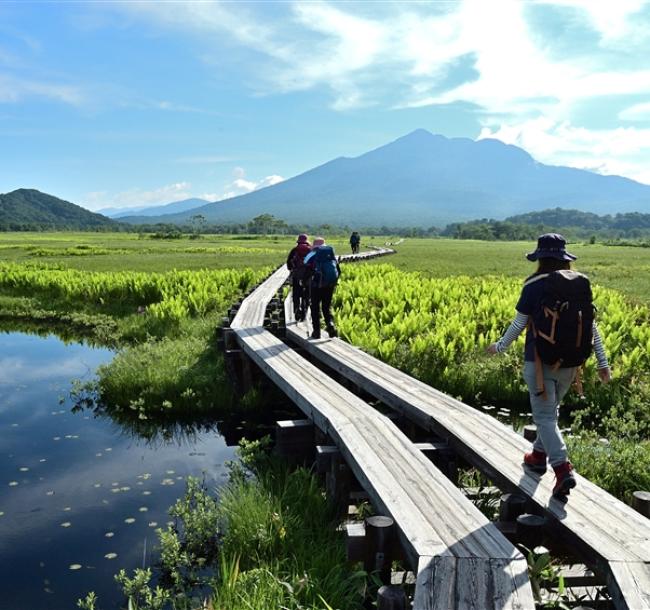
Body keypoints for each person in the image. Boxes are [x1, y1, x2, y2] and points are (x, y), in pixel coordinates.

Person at [487, 233, 611, 499]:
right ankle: (537, 456)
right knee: (550, 415)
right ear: (564, 258)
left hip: (539, 362)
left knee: (544, 417)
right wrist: (603, 362)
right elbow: (592, 327)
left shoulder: (533, 285)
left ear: (540, 258)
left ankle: (563, 469)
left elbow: (519, 324)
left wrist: (499, 347)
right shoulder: (579, 284)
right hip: (571, 364)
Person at [304, 237, 340, 339]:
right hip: (329, 285)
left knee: (315, 307)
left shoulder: (311, 255)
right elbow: (338, 271)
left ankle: (316, 332)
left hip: (316, 286)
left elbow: (306, 269)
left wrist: (304, 282)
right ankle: (330, 324)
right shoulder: (330, 256)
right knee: (326, 307)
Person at [286, 234, 311, 322]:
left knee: (296, 294)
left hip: (297, 275)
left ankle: (296, 309)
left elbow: (288, 262)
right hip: (308, 277)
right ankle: (304, 313)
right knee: (307, 295)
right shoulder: (310, 250)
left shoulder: (294, 250)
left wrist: (291, 270)